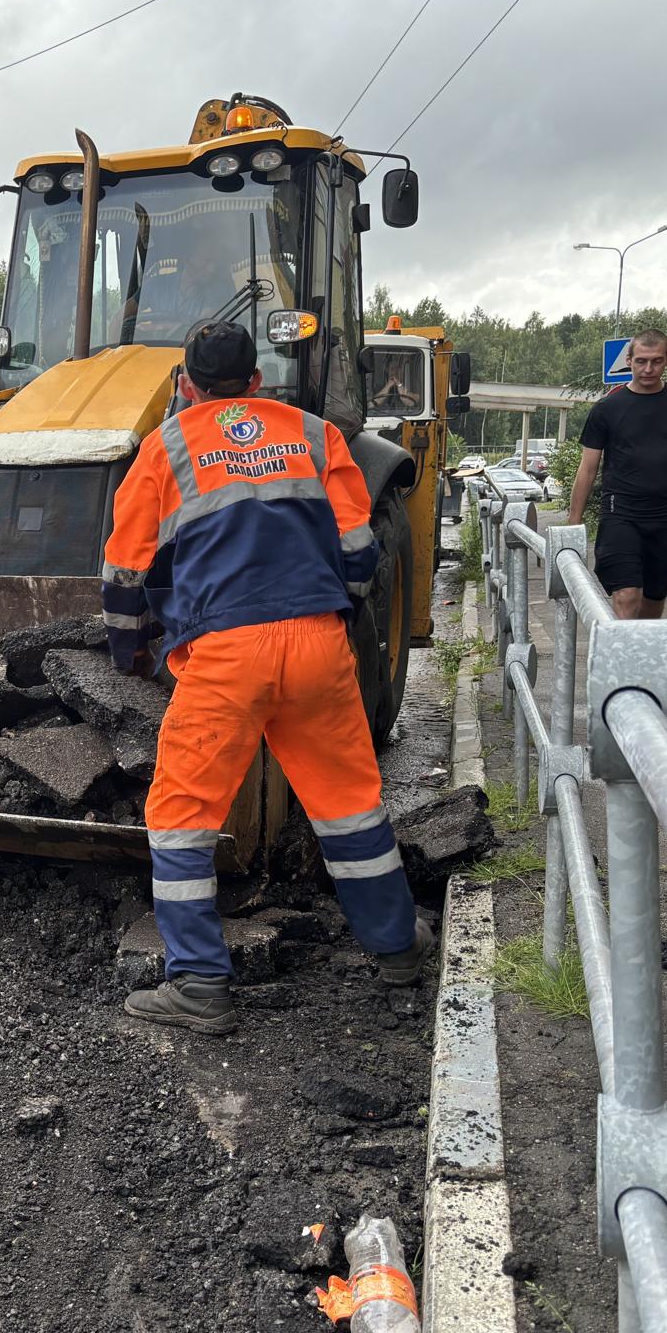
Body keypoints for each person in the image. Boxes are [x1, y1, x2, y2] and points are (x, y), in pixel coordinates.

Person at [102, 322, 427, 1036]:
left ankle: (196, 984)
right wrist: (329, 611)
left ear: (185, 384)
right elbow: (356, 546)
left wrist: (129, 648)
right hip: (316, 644)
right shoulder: (313, 436)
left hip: (224, 657)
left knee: (184, 817)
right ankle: (398, 948)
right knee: (349, 804)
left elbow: (126, 570)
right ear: (258, 380)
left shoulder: (166, 447)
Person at [567, 329, 667, 619]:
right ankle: (621, 661)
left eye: (656, 361)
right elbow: (588, 468)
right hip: (621, 514)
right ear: (628, 360)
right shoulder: (607, 408)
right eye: (641, 361)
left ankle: (642, 658)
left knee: (654, 598)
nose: (648, 369)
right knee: (626, 594)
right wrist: (573, 524)